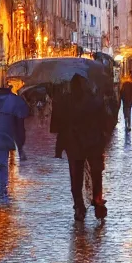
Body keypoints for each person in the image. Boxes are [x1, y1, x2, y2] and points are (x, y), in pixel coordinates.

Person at [51, 73, 108, 222]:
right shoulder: (94, 101)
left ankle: (79, 206)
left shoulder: (65, 102)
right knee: (96, 175)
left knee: (76, 178)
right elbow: (106, 120)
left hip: (74, 144)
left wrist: (59, 146)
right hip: (93, 143)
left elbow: (58, 125)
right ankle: (97, 202)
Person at [0, 85, 30, 199]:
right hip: (4, 136)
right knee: (3, 164)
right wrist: (21, 145)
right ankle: (2, 190)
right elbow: (21, 122)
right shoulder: (13, 100)